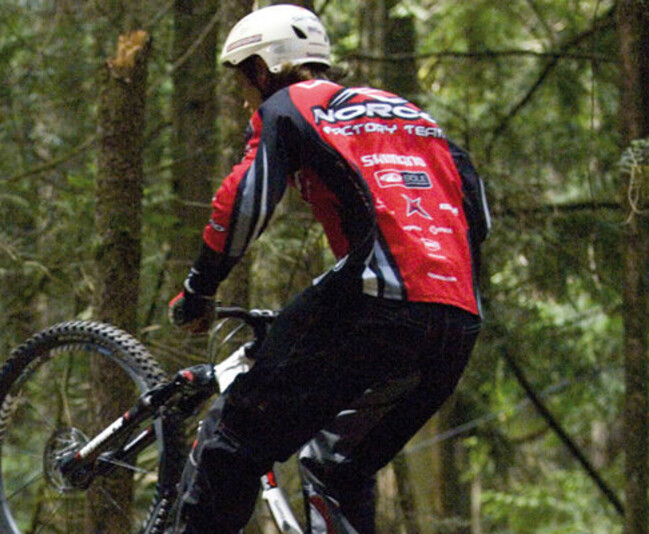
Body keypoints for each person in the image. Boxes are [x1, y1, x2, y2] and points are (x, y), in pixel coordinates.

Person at [167, 4, 491, 533]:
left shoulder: (290, 106)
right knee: (338, 466)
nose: (245, 98)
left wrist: (199, 289)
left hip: (374, 302)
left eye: (244, 81)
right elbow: (476, 211)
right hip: (456, 320)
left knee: (234, 437)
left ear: (263, 69)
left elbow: (244, 202)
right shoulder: (413, 116)